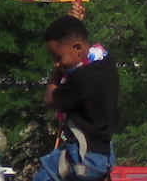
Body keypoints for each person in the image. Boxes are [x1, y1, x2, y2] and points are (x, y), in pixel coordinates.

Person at [34, 14, 120, 180]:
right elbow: (76, 40)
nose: (56, 63)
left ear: (78, 49)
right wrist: (74, 21)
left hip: (83, 157)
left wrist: (57, 72)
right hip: (103, 157)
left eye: (58, 57)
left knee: (45, 174)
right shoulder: (106, 61)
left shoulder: (80, 79)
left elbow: (49, 100)